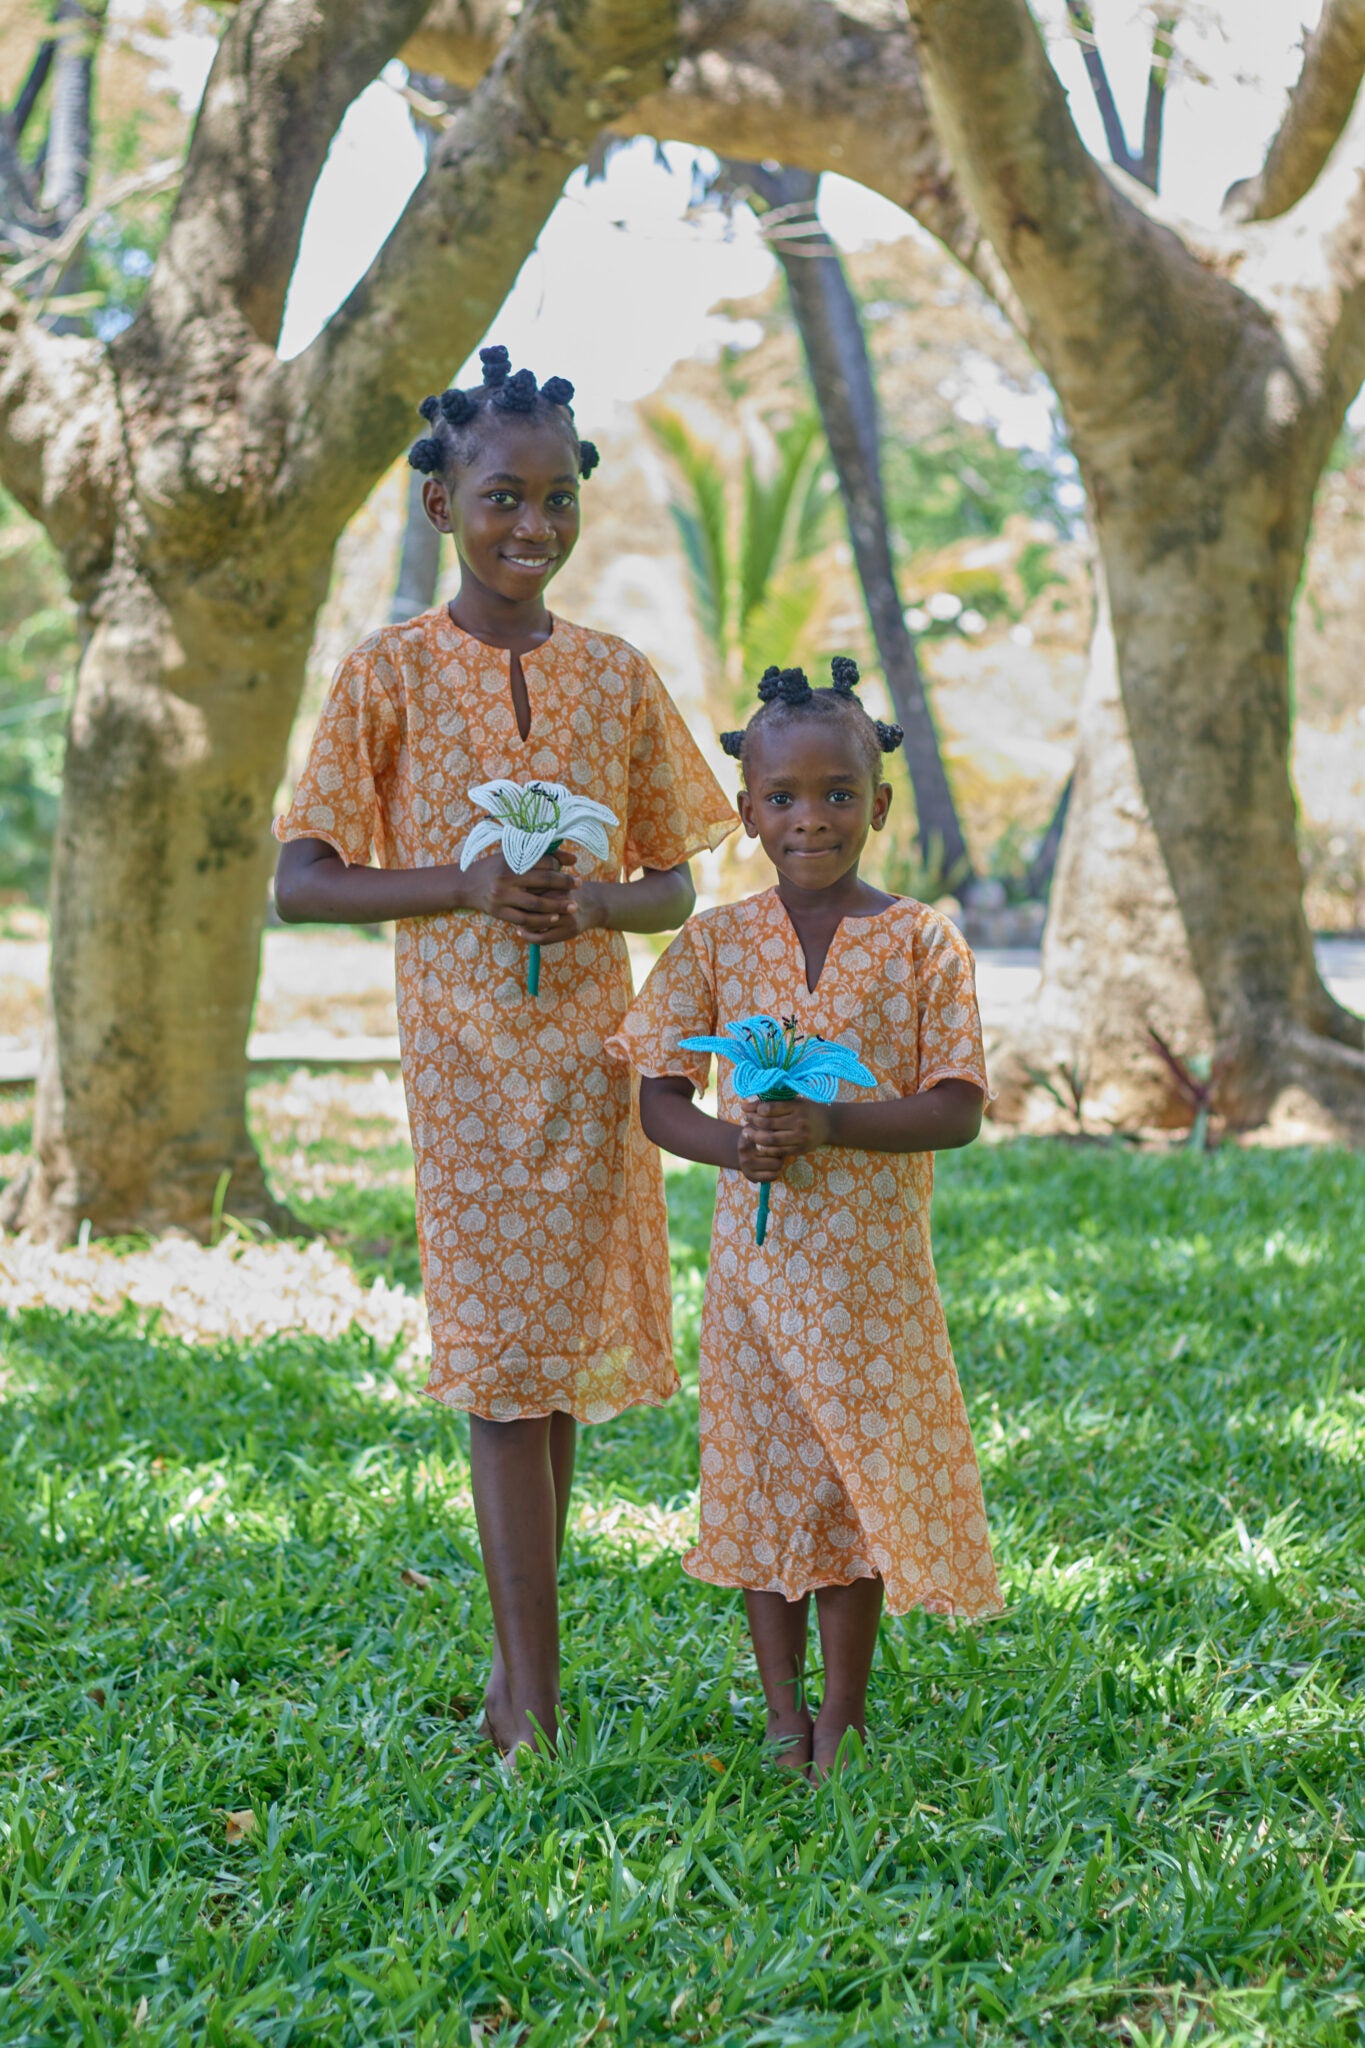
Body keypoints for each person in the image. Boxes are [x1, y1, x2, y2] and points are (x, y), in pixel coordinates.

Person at [273, 347, 735, 1757]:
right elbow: (303, 880)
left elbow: (676, 880)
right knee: (496, 1367)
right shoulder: (391, 677)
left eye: (553, 499)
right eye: (498, 497)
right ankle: (531, 1697)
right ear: (440, 508)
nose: (529, 525)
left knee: (556, 1365)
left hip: (594, 1053)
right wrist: (463, 885)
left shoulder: (611, 678)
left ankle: (520, 1676)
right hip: (467, 1065)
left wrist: (594, 897)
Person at [608, 658, 1002, 1776]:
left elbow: (956, 1108)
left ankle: (846, 1715)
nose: (810, 817)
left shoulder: (923, 943)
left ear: (879, 805)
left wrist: (828, 1126)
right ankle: (782, 1715)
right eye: (782, 797)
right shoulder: (721, 945)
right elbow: (656, 1094)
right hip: (754, 1284)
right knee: (761, 1486)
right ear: (746, 813)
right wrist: (737, 1145)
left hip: (874, 1291)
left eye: (838, 794)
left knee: (849, 1491)